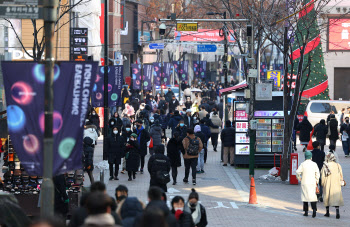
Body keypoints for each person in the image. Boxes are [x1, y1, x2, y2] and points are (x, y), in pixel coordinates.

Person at [296, 151, 320, 218]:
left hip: (305, 182)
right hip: (312, 182)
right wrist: (316, 181)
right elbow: (317, 173)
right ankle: (314, 210)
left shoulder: (303, 164)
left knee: (305, 197)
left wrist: (299, 178)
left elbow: (298, 172)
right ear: (311, 157)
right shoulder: (314, 164)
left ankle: (306, 212)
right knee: (313, 197)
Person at [321, 153, 344, 219]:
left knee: (327, 197)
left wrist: (323, 184)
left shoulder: (325, 165)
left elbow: (323, 176)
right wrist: (341, 181)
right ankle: (337, 212)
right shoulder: (337, 165)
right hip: (336, 184)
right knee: (336, 198)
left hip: (327, 184)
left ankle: (327, 212)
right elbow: (341, 175)